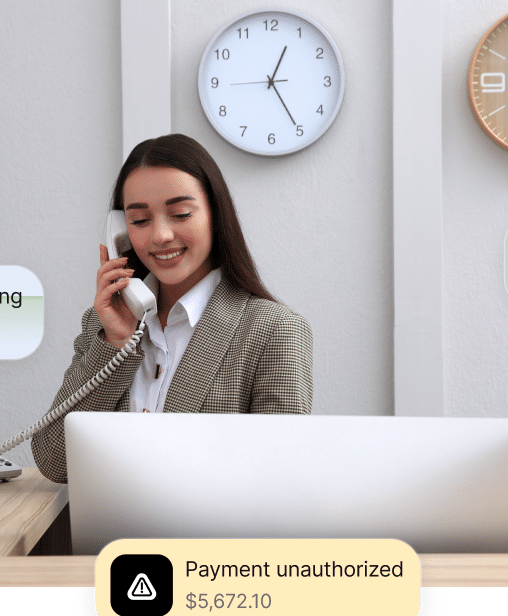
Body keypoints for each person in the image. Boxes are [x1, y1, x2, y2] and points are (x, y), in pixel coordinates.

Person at [33, 134, 313, 483]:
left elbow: (281, 480)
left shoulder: (274, 330)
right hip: (107, 538)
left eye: (180, 213)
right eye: (138, 221)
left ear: (215, 214)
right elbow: (54, 462)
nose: (161, 235)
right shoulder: (102, 325)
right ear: (120, 230)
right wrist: (115, 344)